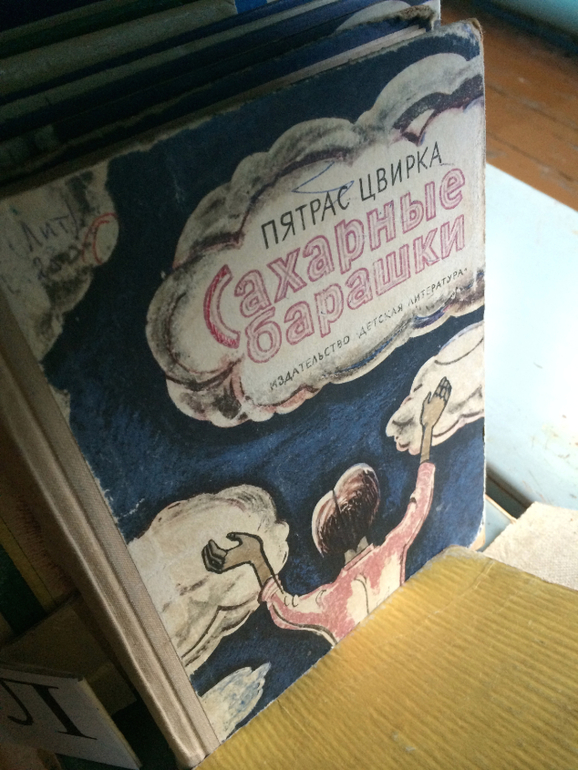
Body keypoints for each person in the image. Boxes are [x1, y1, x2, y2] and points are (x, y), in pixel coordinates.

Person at [202, 377, 451, 646]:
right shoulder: (390, 553)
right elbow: (420, 502)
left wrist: (255, 556)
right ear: (369, 510)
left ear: (324, 542)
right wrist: (428, 427)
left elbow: (284, 610)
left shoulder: (329, 600)